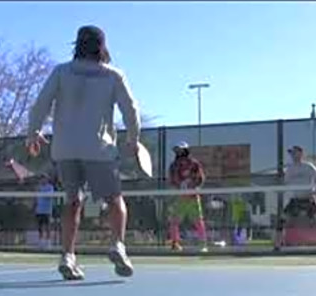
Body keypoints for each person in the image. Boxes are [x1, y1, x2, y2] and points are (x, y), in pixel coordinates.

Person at [26, 25, 140, 281]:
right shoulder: (113, 75)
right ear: (102, 46)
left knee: (72, 201)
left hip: (64, 149)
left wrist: (32, 133)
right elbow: (130, 110)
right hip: (99, 149)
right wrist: (133, 139)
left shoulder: (60, 72)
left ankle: (68, 255)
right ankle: (118, 246)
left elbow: (40, 105)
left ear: (76, 44)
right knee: (114, 199)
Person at [274, 145, 316, 252]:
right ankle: (277, 246)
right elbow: (285, 183)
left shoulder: (309, 167)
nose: (292, 155)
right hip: (295, 200)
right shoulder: (289, 169)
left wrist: (314, 193)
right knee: (281, 221)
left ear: (300, 154)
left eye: (294, 152)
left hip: (308, 199)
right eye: (291, 153)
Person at [167, 141, 208, 252]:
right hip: (179, 198)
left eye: (180, 150)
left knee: (198, 221)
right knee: (174, 221)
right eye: (176, 150)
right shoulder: (173, 166)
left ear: (186, 150)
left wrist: (191, 184)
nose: (178, 152)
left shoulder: (194, 164)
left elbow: (200, 179)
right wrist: (179, 185)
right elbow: (172, 180)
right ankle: (175, 244)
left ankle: (203, 244)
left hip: (193, 197)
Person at [35, 174, 54, 248]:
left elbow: (49, 196)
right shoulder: (39, 187)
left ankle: (48, 242)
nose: (42, 180)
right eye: (41, 179)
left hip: (47, 211)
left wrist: (42, 193)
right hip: (39, 210)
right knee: (40, 227)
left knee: (48, 227)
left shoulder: (50, 187)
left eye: (44, 179)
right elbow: (36, 198)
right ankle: (40, 242)